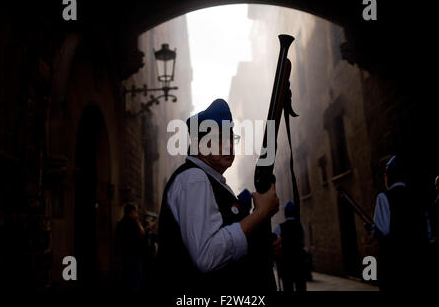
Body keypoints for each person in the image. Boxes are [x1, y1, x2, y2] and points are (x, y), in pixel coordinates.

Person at [156, 99, 279, 293]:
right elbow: (207, 256)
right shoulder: (195, 178)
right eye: (221, 138)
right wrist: (260, 214)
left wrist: (259, 245)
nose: (230, 145)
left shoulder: (209, 180)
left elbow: (227, 245)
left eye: (232, 138)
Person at [372, 156, 426, 291]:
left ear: (387, 176)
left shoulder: (383, 197)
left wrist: (374, 229)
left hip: (393, 270)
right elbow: (427, 231)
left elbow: (383, 230)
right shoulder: (417, 198)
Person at [273, 202, 308, 291]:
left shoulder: (279, 228)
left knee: (288, 287)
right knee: (301, 287)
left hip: (286, 263)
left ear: (285, 212)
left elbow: (276, 245)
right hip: (299, 262)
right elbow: (302, 241)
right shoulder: (301, 226)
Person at [115, 203, 146, 292]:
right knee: (135, 280)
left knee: (127, 279)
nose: (137, 214)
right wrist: (138, 221)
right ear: (132, 212)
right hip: (135, 255)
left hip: (126, 254)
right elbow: (141, 233)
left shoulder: (121, 222)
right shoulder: (131, 222)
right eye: (135, 212)